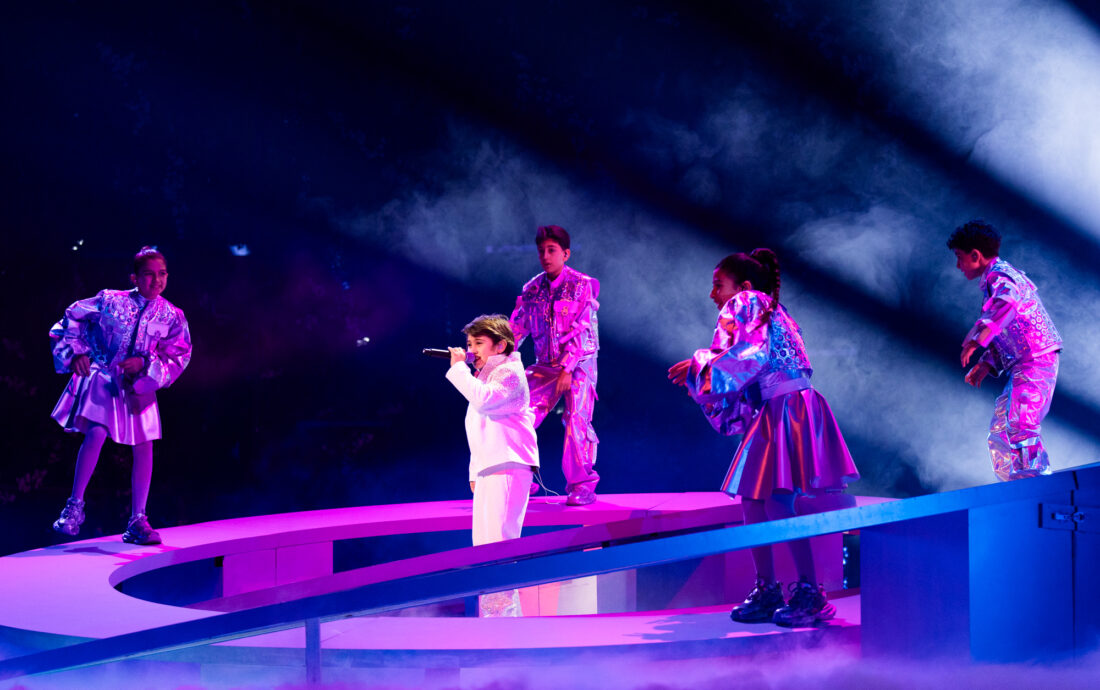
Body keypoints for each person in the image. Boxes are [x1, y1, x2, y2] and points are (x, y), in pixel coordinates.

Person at [669, 248, 859, 627]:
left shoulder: (748, 301)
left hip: (785, 405)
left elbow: (747, 357)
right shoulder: (773, 309)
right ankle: (768, 587)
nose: (713, 295)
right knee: (755, 499)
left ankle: (809, 592)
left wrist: (699, 369)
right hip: (785, 405)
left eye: (717, 285)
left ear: (743, 285)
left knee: (775, 502)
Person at [50, 246, 192, 546]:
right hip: (104, 377)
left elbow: (179, 353)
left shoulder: (171, 315)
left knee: (144, 445)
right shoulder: (110, 300)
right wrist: (77, 352)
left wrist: (146, 364)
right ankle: (74, 506)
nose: (157, 281)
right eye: (150, 275)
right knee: (97, 432)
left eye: (162, 274)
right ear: (135, 277)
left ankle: (138, 519)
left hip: (139, 384)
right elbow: (71, 318)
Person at [948, 219, 1061, 481]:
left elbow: (1006, 304)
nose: (958, 265)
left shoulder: (1002, 276)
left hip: (1037, 358)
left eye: (959, 257)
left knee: (1022, 421)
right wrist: (986, 363)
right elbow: (1009, 330)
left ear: (975, 255)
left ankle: (1033, 479)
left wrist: (978, 337)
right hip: (1022, 362)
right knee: (1001, 426)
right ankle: (1012, 482)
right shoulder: (995, 279)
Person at [445, 314, 540, 617]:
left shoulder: (511, 372)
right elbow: (478, 427)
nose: (471, 350)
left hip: (509, 465)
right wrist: (475, 472)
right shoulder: (485, 376)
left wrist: (459, 368)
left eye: (478, 343)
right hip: (491, 468)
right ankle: (495, 622)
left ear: (500, 345)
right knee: (484, 549)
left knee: (500, 546)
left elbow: (484, 401)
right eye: (469, 344)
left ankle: (505, 627)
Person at [509, 225, 600, 506]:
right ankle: (521, 479)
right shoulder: (532, 289)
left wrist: (568, 368)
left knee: (576, 420)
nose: (546, 256)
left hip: (580, 363)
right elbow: (516, 328)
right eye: (541, 251)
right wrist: (491, 355)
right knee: (518, 415)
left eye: (551, 250)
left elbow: (583, 329)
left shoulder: (582, 285)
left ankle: (581, 485)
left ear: (565, 254)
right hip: (545, 365)